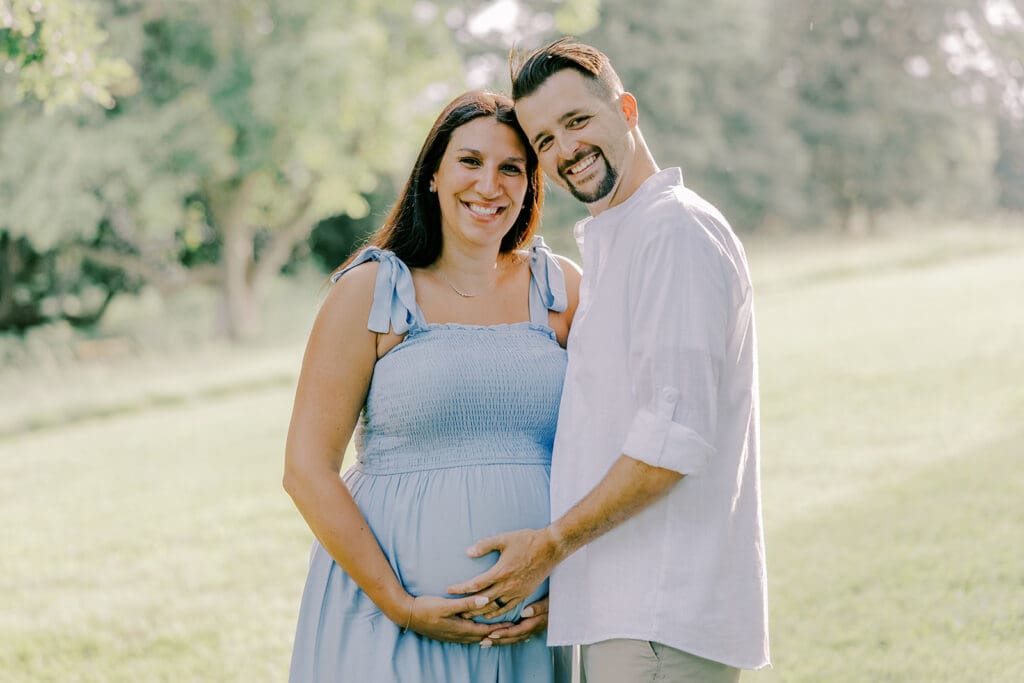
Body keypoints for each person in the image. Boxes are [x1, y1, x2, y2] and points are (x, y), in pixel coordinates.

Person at [447, 39, 770, 681]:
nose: (565, 151)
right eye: (544, 141)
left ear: (626, 109)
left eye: (577, 122)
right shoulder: (621, 240)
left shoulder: (673, 233)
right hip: (624, 620)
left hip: (659, 621)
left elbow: (673, 438)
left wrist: (551, 546)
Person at [283, 90, 580, 682]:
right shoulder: (371, 291)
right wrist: (402, 605)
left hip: (531, 627)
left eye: (510, 168)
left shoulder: (561, 289)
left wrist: (570, 584)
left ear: (530, 185)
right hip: (385, 623)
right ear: (433, 175)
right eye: (470, 162)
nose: (489, 185)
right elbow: (306, 470)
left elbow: (604, 453)